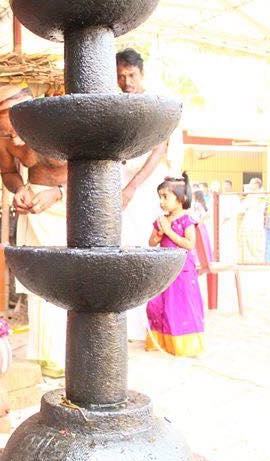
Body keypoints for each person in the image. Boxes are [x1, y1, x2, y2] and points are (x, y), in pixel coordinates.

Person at [0, 84, 68, 377]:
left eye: (19, 130)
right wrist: (20, 189)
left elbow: (97, 168)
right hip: (36, 205)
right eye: (8, 133)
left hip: (73, 197)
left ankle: (69, 358)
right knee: (40, 283)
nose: (16, 139)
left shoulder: (59, 121)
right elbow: (8, 172)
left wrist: (58, 193)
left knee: (68, 280)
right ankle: (46, 358)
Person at [117, 48, 176, 340]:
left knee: (144, 250)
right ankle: (126, 325)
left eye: (131, 75)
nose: (126, 81)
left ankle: (148, 326)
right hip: (119, 188)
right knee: (121, 251)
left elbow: (158, 153)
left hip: (145, 189)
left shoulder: (157, 105)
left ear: (142, 73)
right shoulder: (115, 104)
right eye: (121, 76)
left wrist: (132, 187)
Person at [146, 174, 204, 356]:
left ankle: (183, 345)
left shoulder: (187, 220)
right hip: (164, 269)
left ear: (181, 199)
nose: (161, 202)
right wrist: (158, 233)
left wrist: (169, 231)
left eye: (165, 197)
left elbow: (189, 244)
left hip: (182, 270)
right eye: (160, 197)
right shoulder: (162, 219)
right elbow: (152, 242)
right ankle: (161, 341)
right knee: (159, 304)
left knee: (180, 305)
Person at [240, 177, 265, 263]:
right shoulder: (250, 195)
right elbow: (242, 207)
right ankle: (249, 260)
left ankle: (258, 261)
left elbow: (260, 207)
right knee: (247, 241)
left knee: (256, 242)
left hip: (256, 222)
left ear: (257, 185)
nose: (250, 185)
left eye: (252, 183)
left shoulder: (262, 195)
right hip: (248, 221)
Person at [218, 179, 240, 263]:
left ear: (231, 187)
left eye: (227, 185)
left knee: (230, 240)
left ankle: (231, 259)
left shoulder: (234, 197)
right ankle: (222, 258)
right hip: (220, 222)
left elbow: (237, 209)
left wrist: (229, 217)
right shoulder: (220, 196)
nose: (225, 187)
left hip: (230, 223)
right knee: (221, 240)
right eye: (224, 185)